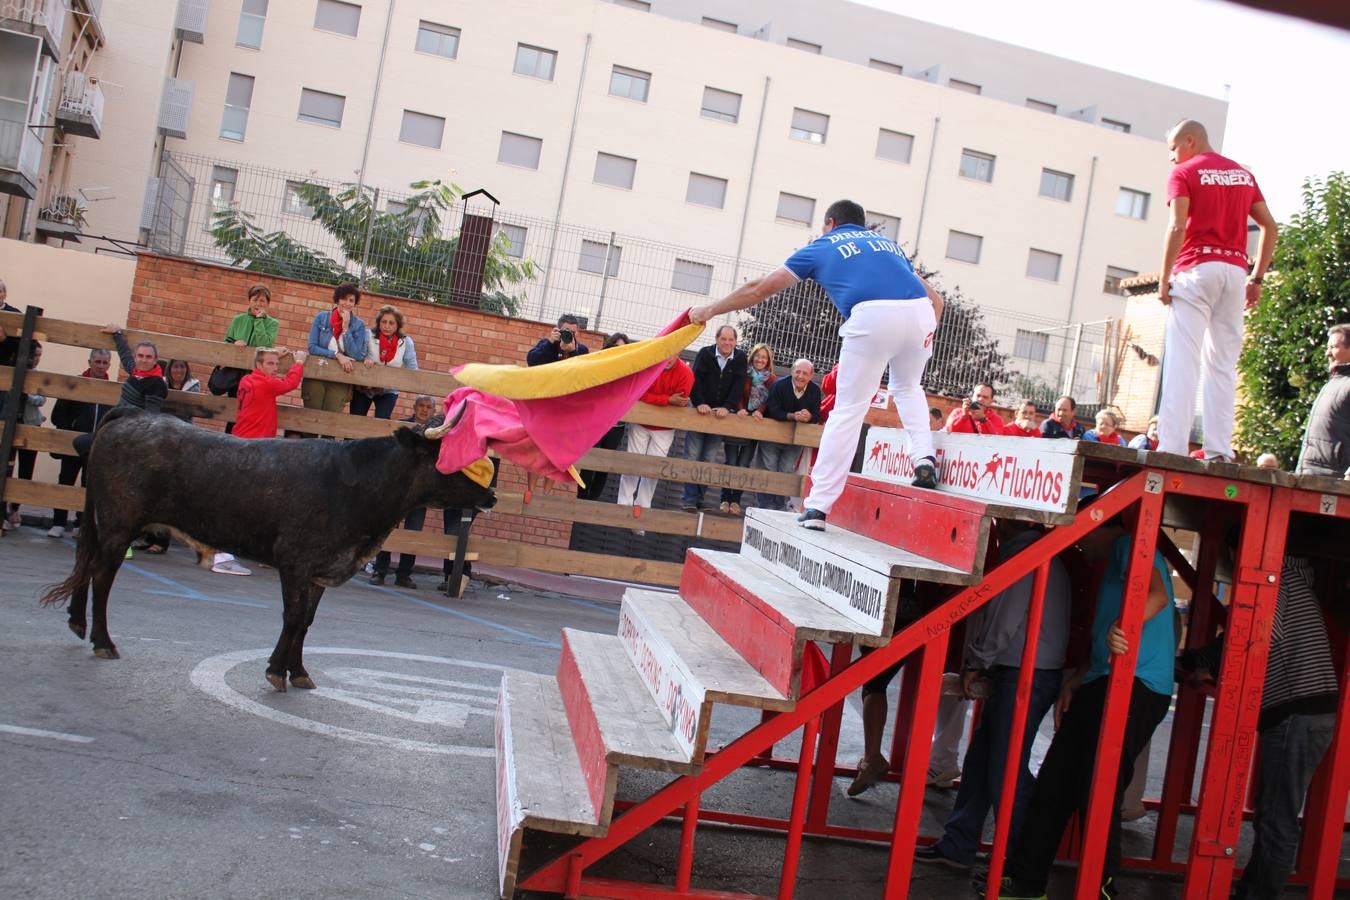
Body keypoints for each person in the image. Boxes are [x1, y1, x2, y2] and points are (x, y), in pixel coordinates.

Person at [690, 199, 946, 532]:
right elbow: (937, 300)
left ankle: (818, 507)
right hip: (921, 315)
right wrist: (924, 335)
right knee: (909, 387)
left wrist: (711, 309)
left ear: (829, 223)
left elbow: (758, 289)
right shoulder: (889, 245)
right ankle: (923, 459)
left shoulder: (823, 246)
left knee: (849, 410)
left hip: (872, 315)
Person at [986, 514, 1178, 900]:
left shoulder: (1128, 545)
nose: (1078, 545)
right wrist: (1079, 677)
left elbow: (1156, 595)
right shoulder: (1109, 566)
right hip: (1103, 679)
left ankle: (1100, 884)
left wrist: (1124, 627)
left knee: (1097, 783)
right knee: (1056, 781)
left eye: (1082, 536)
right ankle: (1026, 881)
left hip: (1136, 684)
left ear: (1102, 528)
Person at [1179, 538, 1339, 900]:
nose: (1236, 566)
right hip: (1311, 711)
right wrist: (1205, 663)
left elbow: (1254, 638)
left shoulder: (1276, 580)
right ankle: (1251, 891)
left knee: (1276, 818)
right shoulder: (1295, 580)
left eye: (1234, 556)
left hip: (1296, 712)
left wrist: (1200, 663)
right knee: (1275, 812)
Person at [914, 520, 1071, 868]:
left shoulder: (1025, 555)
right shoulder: (1047, 553)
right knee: (985, 762)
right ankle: (961, 842)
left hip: (1025, 672)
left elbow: (1005, 618)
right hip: (1028, 670)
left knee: (1005, 768)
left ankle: (1019, 862)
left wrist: (976, 660)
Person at [1156, 120, 1278, 461]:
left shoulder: (1184, 173)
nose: (1171, 158)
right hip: (1235, 272)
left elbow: (1178, 225)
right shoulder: (1242, 174)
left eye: (1173, 149)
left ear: (1190, 141)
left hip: (1196, 270)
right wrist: (1257, 279)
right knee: (1222, 364)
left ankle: (1172, 447)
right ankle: (1219, 450)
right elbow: (1270, 226)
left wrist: (1164, 278)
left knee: (1183, 361)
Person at [369, 395, 438, 589]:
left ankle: (404, 574)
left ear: (433, 411)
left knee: (412, 533)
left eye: (428, 407)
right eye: (421, 406)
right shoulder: (403, 427)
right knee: (388, 529)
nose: (424, 410)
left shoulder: (436, 432)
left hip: (420, 492)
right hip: (398, 489)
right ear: (414, 408)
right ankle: (379, 570)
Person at [680, 325, 748, 513]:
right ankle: (689, 499)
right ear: (717, 339)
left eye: (731, 340)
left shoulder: (741, 358)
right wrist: (700, 403)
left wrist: (727, 407)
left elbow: (738, 385)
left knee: (709, 458)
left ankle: (699, 499)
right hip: (700, 412)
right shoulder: (705, 353)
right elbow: (695, 380)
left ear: (735, 341)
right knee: (693, 455)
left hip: (721, 416)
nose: (727, 343)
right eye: (723, 339)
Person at [47, 349, 112, 538]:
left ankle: (81, 524)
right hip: (72, 445)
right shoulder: (75, 384)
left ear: (109, 365)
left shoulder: (112, 389)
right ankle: (58, 522)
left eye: (104, 363)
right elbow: (58, 414)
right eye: (97, 362)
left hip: (96, 446)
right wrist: (70, 431)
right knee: (65, 481)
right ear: (90, 362)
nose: (101, 366)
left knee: (89, 486)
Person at [616, 355, 693, 512]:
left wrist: (662, 401)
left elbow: (680, 403)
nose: (667, 358)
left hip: (665, 428)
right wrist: (667, 400)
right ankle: (622, 506)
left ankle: (642, 511)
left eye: (672, 354)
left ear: (678, 353)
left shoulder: (686, 373)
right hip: (640, 422)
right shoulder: (649, 365)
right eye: (665, 353)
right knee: (631, 463)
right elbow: (639, 393)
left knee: (654, 470)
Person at [754, 359, 821, 511]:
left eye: (805, 373)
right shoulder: (779, 385)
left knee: (785, 471)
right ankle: (764, 506)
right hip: (772, 436)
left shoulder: (815, 391)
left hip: (795, 440)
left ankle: (778, 507)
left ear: (811, 376)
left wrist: (808, 416)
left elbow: (817, 415)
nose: (800, 376)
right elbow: (773, 410)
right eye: (797, 372)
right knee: (768, 469)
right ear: (792, 372)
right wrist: (793, 416)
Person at [215, 284, 280, 432]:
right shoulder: (238, 319)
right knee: (234, 414)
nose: (258, 304)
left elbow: (265, 343)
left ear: (268, 304)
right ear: (249, 301)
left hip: (256, 378)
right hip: (235, 375)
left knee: (251, 414)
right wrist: (234, 343)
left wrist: (259, 320)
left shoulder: (272, 324)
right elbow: (227, 341)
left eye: (262, 301)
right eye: (255, 300)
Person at [720, 342, 777, 515]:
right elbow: (735, 392)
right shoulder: (743, 373)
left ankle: (736, 501)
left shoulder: (771, 379)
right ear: (753, 357)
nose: (760, 359)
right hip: (738, 418)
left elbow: (769, 400)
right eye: (758, 356)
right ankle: (724, 499)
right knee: (731, 461)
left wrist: (759, 411)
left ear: (768, 361)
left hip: (755, 425)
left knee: (743, 463)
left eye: (764, 357)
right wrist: (739, 408)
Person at [304, 282, 373, 416]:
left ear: (355, 303)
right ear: (337, 299)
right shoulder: (322, 318)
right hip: (317, 373)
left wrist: (346, 328)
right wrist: (337, 355)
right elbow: (312, 347)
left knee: (331, 422)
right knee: (311, 419)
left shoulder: (359, 325)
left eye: (351, 300)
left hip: (340, 378)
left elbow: (356, 355)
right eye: (343, 298)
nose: (347, 303)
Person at [578, 333, 630, 501]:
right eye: (615, 347)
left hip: (617, 425)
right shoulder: (600, 364)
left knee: (604, 464)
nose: (618, 351)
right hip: (596, 422)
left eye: (623, 348)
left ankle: (593, 499)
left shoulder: (630, 368)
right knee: (589, 461)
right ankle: (582, 496)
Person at [1295, 323, 1350, 479]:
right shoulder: (1333, 382)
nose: (1327, 353)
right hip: (1309, 474)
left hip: (1335, 480)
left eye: (1333, 347)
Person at [3, 340, 44, 531]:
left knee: (26, 472)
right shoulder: (13, 372)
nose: (36, 360)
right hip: (13, 425)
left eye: (39, 357)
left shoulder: (39, 376)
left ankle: (16, 508)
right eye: (34, 356)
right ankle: (4, 511)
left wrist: (26, 396)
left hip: (32, 426)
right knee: (7, 468)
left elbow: (41, 398)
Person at [352, 304, 419, 420]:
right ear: (379, 323)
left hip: (388, 390)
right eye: (384, 322)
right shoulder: (368, 335)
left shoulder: (406, 342)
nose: (387, 326)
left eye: (391, 323)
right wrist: (364, 360)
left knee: (381, 423)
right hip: (364, 388)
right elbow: (357, 356)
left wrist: (400, 379)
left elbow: (413, 369)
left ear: (398, 325)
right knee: (354, 421)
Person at [234, 347, 307, 439]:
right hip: (256, 441)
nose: (276, 368)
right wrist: (299, 363)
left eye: (277, 364)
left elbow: (258, 366)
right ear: (259, 365)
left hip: (238, 436)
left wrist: (272, 357)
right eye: (270, 364)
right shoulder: (267, 384)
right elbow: (290, 383)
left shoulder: (245, 379)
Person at [101, 324, 168, 412]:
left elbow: (151, 416)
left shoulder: (157, 383)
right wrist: (117, 333)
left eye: (148, 357)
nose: (143, 360)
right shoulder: (135, 371)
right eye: (140, 356)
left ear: (155, 360)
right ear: (135, 357)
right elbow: (125, 355)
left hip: (133, 424)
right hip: (120, 417)